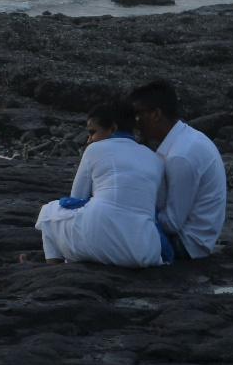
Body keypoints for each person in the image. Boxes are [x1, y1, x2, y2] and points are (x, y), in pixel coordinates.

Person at [33, 101, 169, 267]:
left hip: (98, 239)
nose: (89, 140)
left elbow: (75, 199)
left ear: (112, 128)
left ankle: (53, 268)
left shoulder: (94, 150)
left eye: (92, 132)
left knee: (48, 213)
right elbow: (159, 205)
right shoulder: (155, 159)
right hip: (145, 250)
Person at [129, 78, 227, 259]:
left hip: (187, 244)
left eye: (137, 114)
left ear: (156, 114)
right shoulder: (185, 139)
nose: (135, 122)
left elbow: (172, 223)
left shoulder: (181, 156)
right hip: (196, 236)